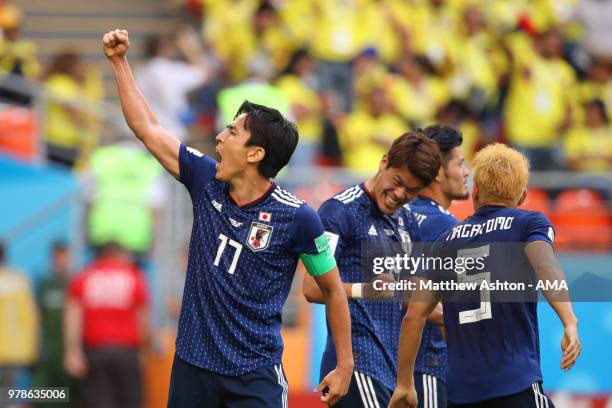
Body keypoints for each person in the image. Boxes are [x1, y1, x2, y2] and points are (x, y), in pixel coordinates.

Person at [102, 29, 353, 407]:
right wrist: (119, 62)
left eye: (232, 132)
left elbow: (333, 290)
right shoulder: (205, 180)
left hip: (255, 376)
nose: (219, 137)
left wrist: (345, 364)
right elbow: (147, 128)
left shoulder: (299, 218)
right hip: (193, 367)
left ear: (255, 154)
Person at [389, 144, 582, 408]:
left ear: (476, 191)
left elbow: (414, 314)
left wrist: (404, 384)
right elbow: (545, 266)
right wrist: (569, 321)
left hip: (461, 395)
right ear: (522, 196)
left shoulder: (445, 241)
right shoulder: (529, 223)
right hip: (515, 384)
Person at [303, 131, 442, 407]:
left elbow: (411, 298)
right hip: (356, 366)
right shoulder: (339, 211)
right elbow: (311, 287)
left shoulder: (407, 221)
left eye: (412, 191)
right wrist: (364, 289)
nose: (400, 194)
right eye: (398, 181)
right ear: (383, 161)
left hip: (390, 370)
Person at [407, 125, 470, 408]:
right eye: (460, 163)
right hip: (429, 365)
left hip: (392, 364)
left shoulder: (399, 215)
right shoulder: (447, 227)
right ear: (437, 173)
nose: (466, 172)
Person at [64, 242, 150, 408]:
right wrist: (145, 350)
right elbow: (143, 318)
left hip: (96, 353)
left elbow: (73, 317)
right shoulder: (133, 276)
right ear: (117, 254)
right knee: (130, 401)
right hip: (127, 353)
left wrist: (72, 351)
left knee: (99, 402)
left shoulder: (84, 277)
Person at [33, 242, 75, 401]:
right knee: (41, 393)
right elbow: (38, 315)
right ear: (52, 258)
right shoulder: (44, 284)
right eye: (58, 256)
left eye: (64, 256)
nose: (61, 260)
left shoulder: (75, 283)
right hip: (48, 346)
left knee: (70, 393)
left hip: (67, 346)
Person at [0, 242, 38, 389]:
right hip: (15, 348)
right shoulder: (20, 279)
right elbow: (31, 315)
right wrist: (33, 348)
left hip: (11, 349)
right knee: (9, 394)